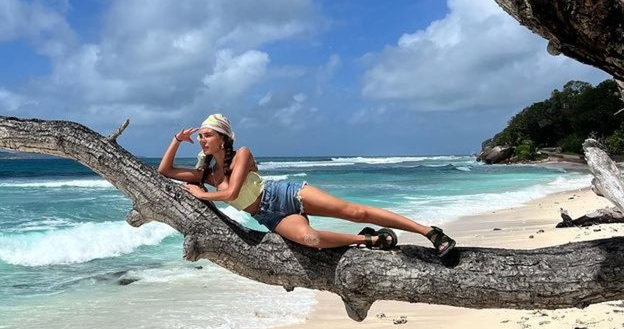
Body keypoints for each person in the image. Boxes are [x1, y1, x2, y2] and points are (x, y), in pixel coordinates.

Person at [158, 114, 456, 256]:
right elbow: (164, 170)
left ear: (223, 138)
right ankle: (370, 240)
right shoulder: (207, 175)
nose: (202, 139)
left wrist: (203, 195)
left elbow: (232, 192)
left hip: (285, 194)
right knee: (311, 239)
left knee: (355, 211)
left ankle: (429, 232)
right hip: (269, 215)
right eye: (200, 136)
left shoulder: (242, 154)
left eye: (207, 135)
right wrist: (176, 140)